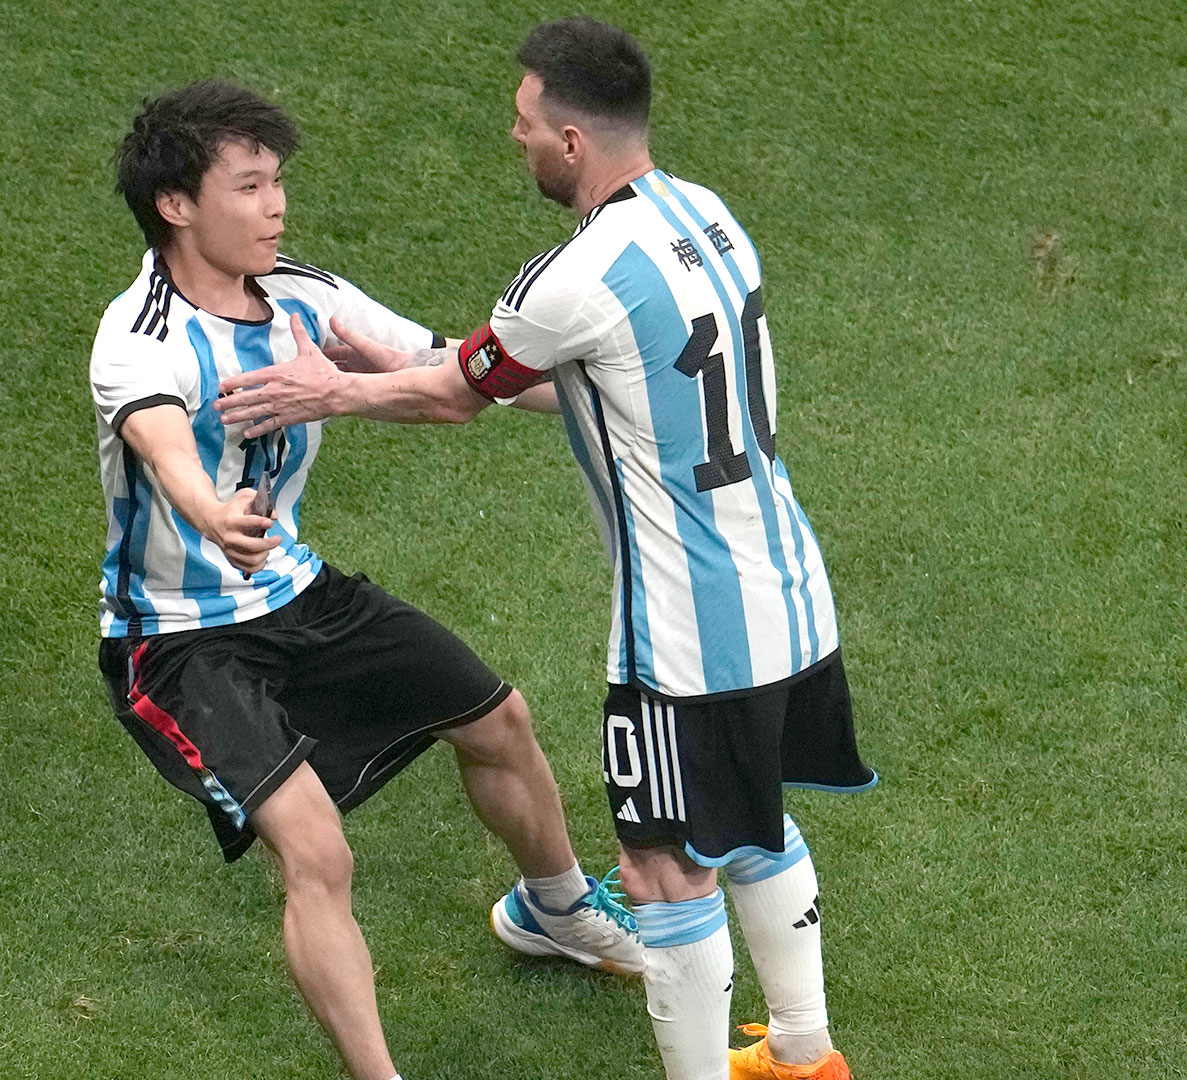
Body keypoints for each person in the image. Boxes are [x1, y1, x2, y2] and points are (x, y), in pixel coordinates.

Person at [214, 19, 877, 1080]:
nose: (514, 138)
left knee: (663, 866)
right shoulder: (706, 216)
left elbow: (459, 399)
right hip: (789, 590)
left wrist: (333, 389)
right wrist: (396, 356)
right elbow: (581, 380)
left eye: (525, 125)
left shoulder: (573, 272)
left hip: (685, 630)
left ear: (571, 141)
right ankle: (806, 1053)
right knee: (753, 818)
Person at [88, 79, 640, 1080]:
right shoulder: (138, 335)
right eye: (250, 186)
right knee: (317, 851)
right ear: (176, 205)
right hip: (175, 645)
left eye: (278, 183)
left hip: (300, 594)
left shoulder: (303, 294)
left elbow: (446, 368)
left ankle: (555, 913)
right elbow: (164, 445)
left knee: (498, 721)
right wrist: (212, 514)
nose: (277, 205)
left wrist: (615, 389)